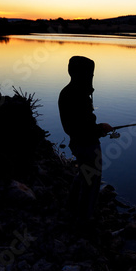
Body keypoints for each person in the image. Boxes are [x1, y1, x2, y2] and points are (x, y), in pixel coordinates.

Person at [58, 56, 113, 220]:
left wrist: (98, 128)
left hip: (77, 142)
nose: (91, 77)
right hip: (86, 145)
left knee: (83, 174)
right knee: (92, 182)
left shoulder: (68, 91)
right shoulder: (78, 95)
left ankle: (70, 207)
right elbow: (84, 127)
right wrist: (101, 129)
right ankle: (83, 221)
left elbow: (81, 124)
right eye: (90, 74)